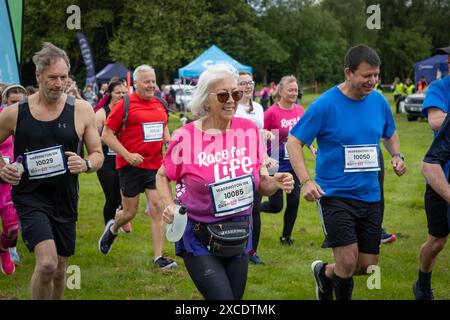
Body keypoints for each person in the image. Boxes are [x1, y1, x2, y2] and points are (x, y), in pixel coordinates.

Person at [156, 63, 294, 300]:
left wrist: (276, 182)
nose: (231, 100)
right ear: (206, 100)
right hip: (199, 237)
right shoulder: (185, 137)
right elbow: (161, 176)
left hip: (239, 234)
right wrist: (169, 205)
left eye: (236, 93)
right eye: (223, 95)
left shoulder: (249, 131)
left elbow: (261, 184)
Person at [287, 45, 406, 300]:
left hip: (370, 194)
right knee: (348, 259)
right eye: (367, 75)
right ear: (349, 73)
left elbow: (390, 133)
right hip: (335, 194)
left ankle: (323, 274)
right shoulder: (325, 105)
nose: (373, 81)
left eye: (376, 75)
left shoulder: (378, 101)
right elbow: (293, 142)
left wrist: (396, 155)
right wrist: (306, 181)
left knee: (366, 265)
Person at [0, 42, 103, 299]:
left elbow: (98, 154)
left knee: (59, 269)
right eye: (52, 78)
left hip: (65, 198)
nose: (59, 83)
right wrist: (2, 168)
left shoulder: (81, 109)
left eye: (64, 77)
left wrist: (86, 164)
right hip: (30, 198)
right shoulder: (15, 113)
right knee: (46, 263)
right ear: (38, 76)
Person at [98, 64, 177, 269]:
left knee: (158, 208)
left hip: (154, 166)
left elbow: (163, 125)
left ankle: (159, 257)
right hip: (130, 166)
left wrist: (168, 142)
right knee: (129, 212)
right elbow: (106, 135)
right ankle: (113, 229)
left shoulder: (160, 103)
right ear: (136, 83)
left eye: (153, 81)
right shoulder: (124, 104)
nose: (152, 85)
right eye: (147, 82)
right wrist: (128, 154)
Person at [413, 46, 450, 300]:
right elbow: (435, 120)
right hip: (441, 176)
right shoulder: (439, 88)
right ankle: (422, 284)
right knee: (437, 242)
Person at [260, 75, 307, 246]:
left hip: (294, 162)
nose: (294, 93)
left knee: (294, 201)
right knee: (276, 206)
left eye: (296, 90)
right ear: (280, 92)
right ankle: (254, 209)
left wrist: (311, 146)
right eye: (290, 90)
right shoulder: (271, 112)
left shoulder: (300, 111)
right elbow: (261, 136)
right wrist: (264, 158)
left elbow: (304, 133)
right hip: (275, 162)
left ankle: (286, 236)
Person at [235, 72, 268, 265]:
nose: (247, 86)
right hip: (237, 162)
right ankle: (235, 246)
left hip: (256, 162)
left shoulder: (258, 107)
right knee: (239, 209)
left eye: (250, 83)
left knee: (255, 207)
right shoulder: (233, 108)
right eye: (243, 83)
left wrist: (265, 157)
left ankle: (252, 251)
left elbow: (260, 138)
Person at [94, 80, 129, 230]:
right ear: (109, 94)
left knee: (126, 196)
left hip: (125, 158)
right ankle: (108, 229)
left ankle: (122, 218)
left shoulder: (128, 111)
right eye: (118, 92)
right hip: (107, 162)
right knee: (112, 198)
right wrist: (110, 140)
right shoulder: (101, 113)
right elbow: (93, 141)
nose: (121, 95)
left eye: (124, 93)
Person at [0, 84, 27, 274]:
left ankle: (3, 250)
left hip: (9, 183)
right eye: (12, 102)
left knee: (12, 230)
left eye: (20, 102)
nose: (16, 106)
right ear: (5, 102)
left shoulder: (30, 119)